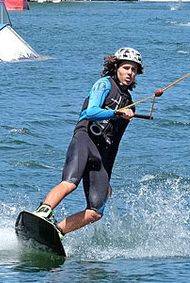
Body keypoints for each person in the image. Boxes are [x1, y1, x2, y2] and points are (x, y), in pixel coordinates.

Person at [33, 48, 144, 237]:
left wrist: (107, 176)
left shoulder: (130, 103)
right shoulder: (104, 84)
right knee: (70, 183)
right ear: (116, 67)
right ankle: (42, 212)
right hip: (85, 139)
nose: (130, 73)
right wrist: (117, 113)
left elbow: (115, 143)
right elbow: (92, 112)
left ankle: (56, 232)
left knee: (96, 211)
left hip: (103, 154)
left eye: (133, 70)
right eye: (126, 68)